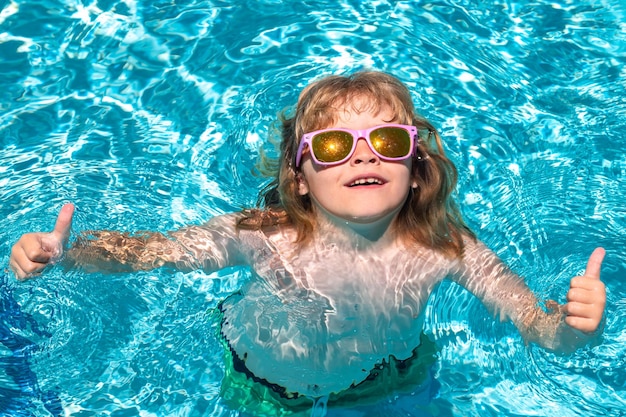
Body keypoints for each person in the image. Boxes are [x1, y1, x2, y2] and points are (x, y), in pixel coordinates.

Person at [9, 71, 606, 413]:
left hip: (389, 379)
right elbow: (157, 251)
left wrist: (575, 331)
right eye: (331, 146)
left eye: (387, 142)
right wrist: (69, 254)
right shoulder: (264, 236)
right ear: (299, 175)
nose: (363, 154)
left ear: (416, 164)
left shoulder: (445, 246)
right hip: (263, 384)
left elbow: (535, 325)